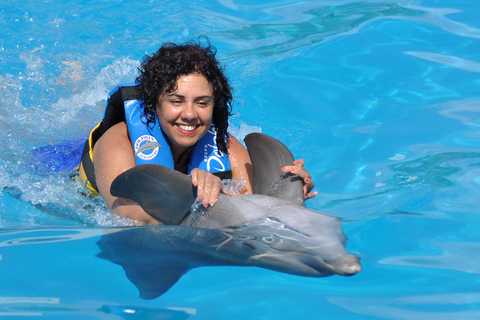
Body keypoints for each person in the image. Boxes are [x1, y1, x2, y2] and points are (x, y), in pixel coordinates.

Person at [77, 39, 317, 225]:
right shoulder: (119, 142)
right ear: (155, 104)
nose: (190, 114)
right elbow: (129, 216)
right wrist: (192, 195)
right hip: (66, 173)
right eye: (176, 101)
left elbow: (248, 215)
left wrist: (288, 200)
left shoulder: (229, 150)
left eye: (202, 103)